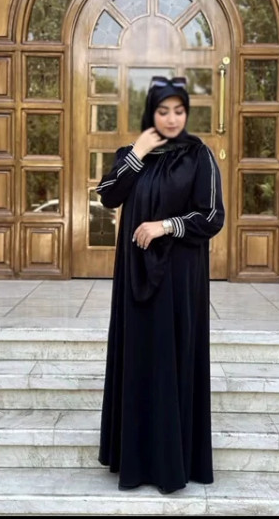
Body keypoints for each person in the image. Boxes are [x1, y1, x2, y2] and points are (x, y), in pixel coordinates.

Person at [96, 76, 225, 494]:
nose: (171, 119)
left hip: (179, 282)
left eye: (179, 111)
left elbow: (213, 216)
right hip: (135, 281)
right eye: (163, 111)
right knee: (138, 361)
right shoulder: (132, 154)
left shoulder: (198, 155)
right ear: (150, 113)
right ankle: (134, 463)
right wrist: (137, 153)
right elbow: (108, 196)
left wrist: (166, 225)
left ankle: (173, 462)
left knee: (173, 360)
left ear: (187, 113)